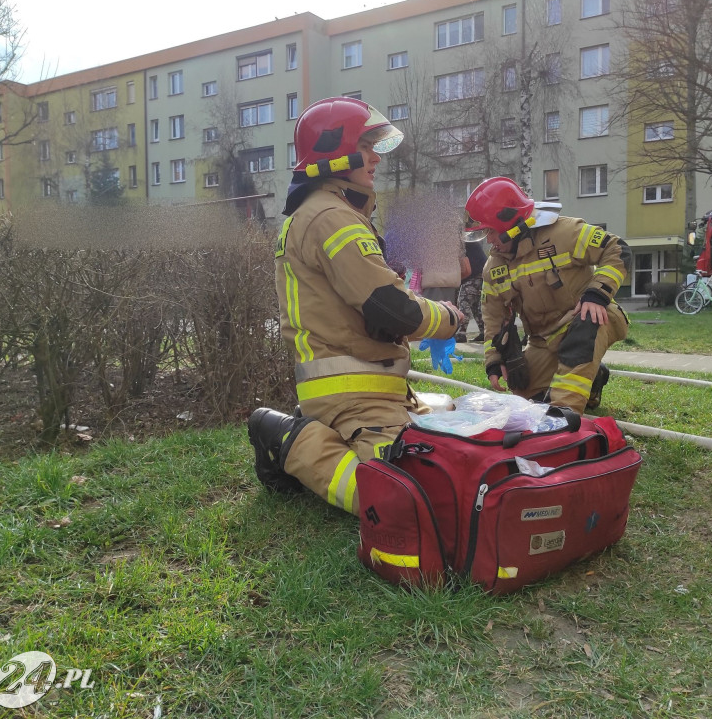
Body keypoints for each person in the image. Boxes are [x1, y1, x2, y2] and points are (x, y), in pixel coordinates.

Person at [248, 97, 464, 514]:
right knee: (399, 496)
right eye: (366, 147)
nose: (375, 160)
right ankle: (283, 436)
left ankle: (338, 432)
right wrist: (448, 320)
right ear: (335, 150)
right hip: (352, 395)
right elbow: (390, 307)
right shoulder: (330, 217)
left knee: (453, 438)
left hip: (374, 390)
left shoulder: (333, 213)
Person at [466, 176, 630, 413]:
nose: (489, 241)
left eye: (490, 232)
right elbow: (492, 317)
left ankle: (564, 414)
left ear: (510, 225)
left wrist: (598, 294)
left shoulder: (564, 233)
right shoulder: (494, 268)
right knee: (522, 389)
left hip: (589, 318)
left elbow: (617, 248)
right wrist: (494, 361)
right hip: (543, 339)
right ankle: (594, 377)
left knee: (586, 326)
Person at [455, 232, 487, 343]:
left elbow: (465, 264)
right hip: (481, 273)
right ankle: (484, 331)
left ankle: (461, 332)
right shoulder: (467, 239)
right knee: (475, 304)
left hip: (475, 274)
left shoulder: (462, 242)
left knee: (464, 300)